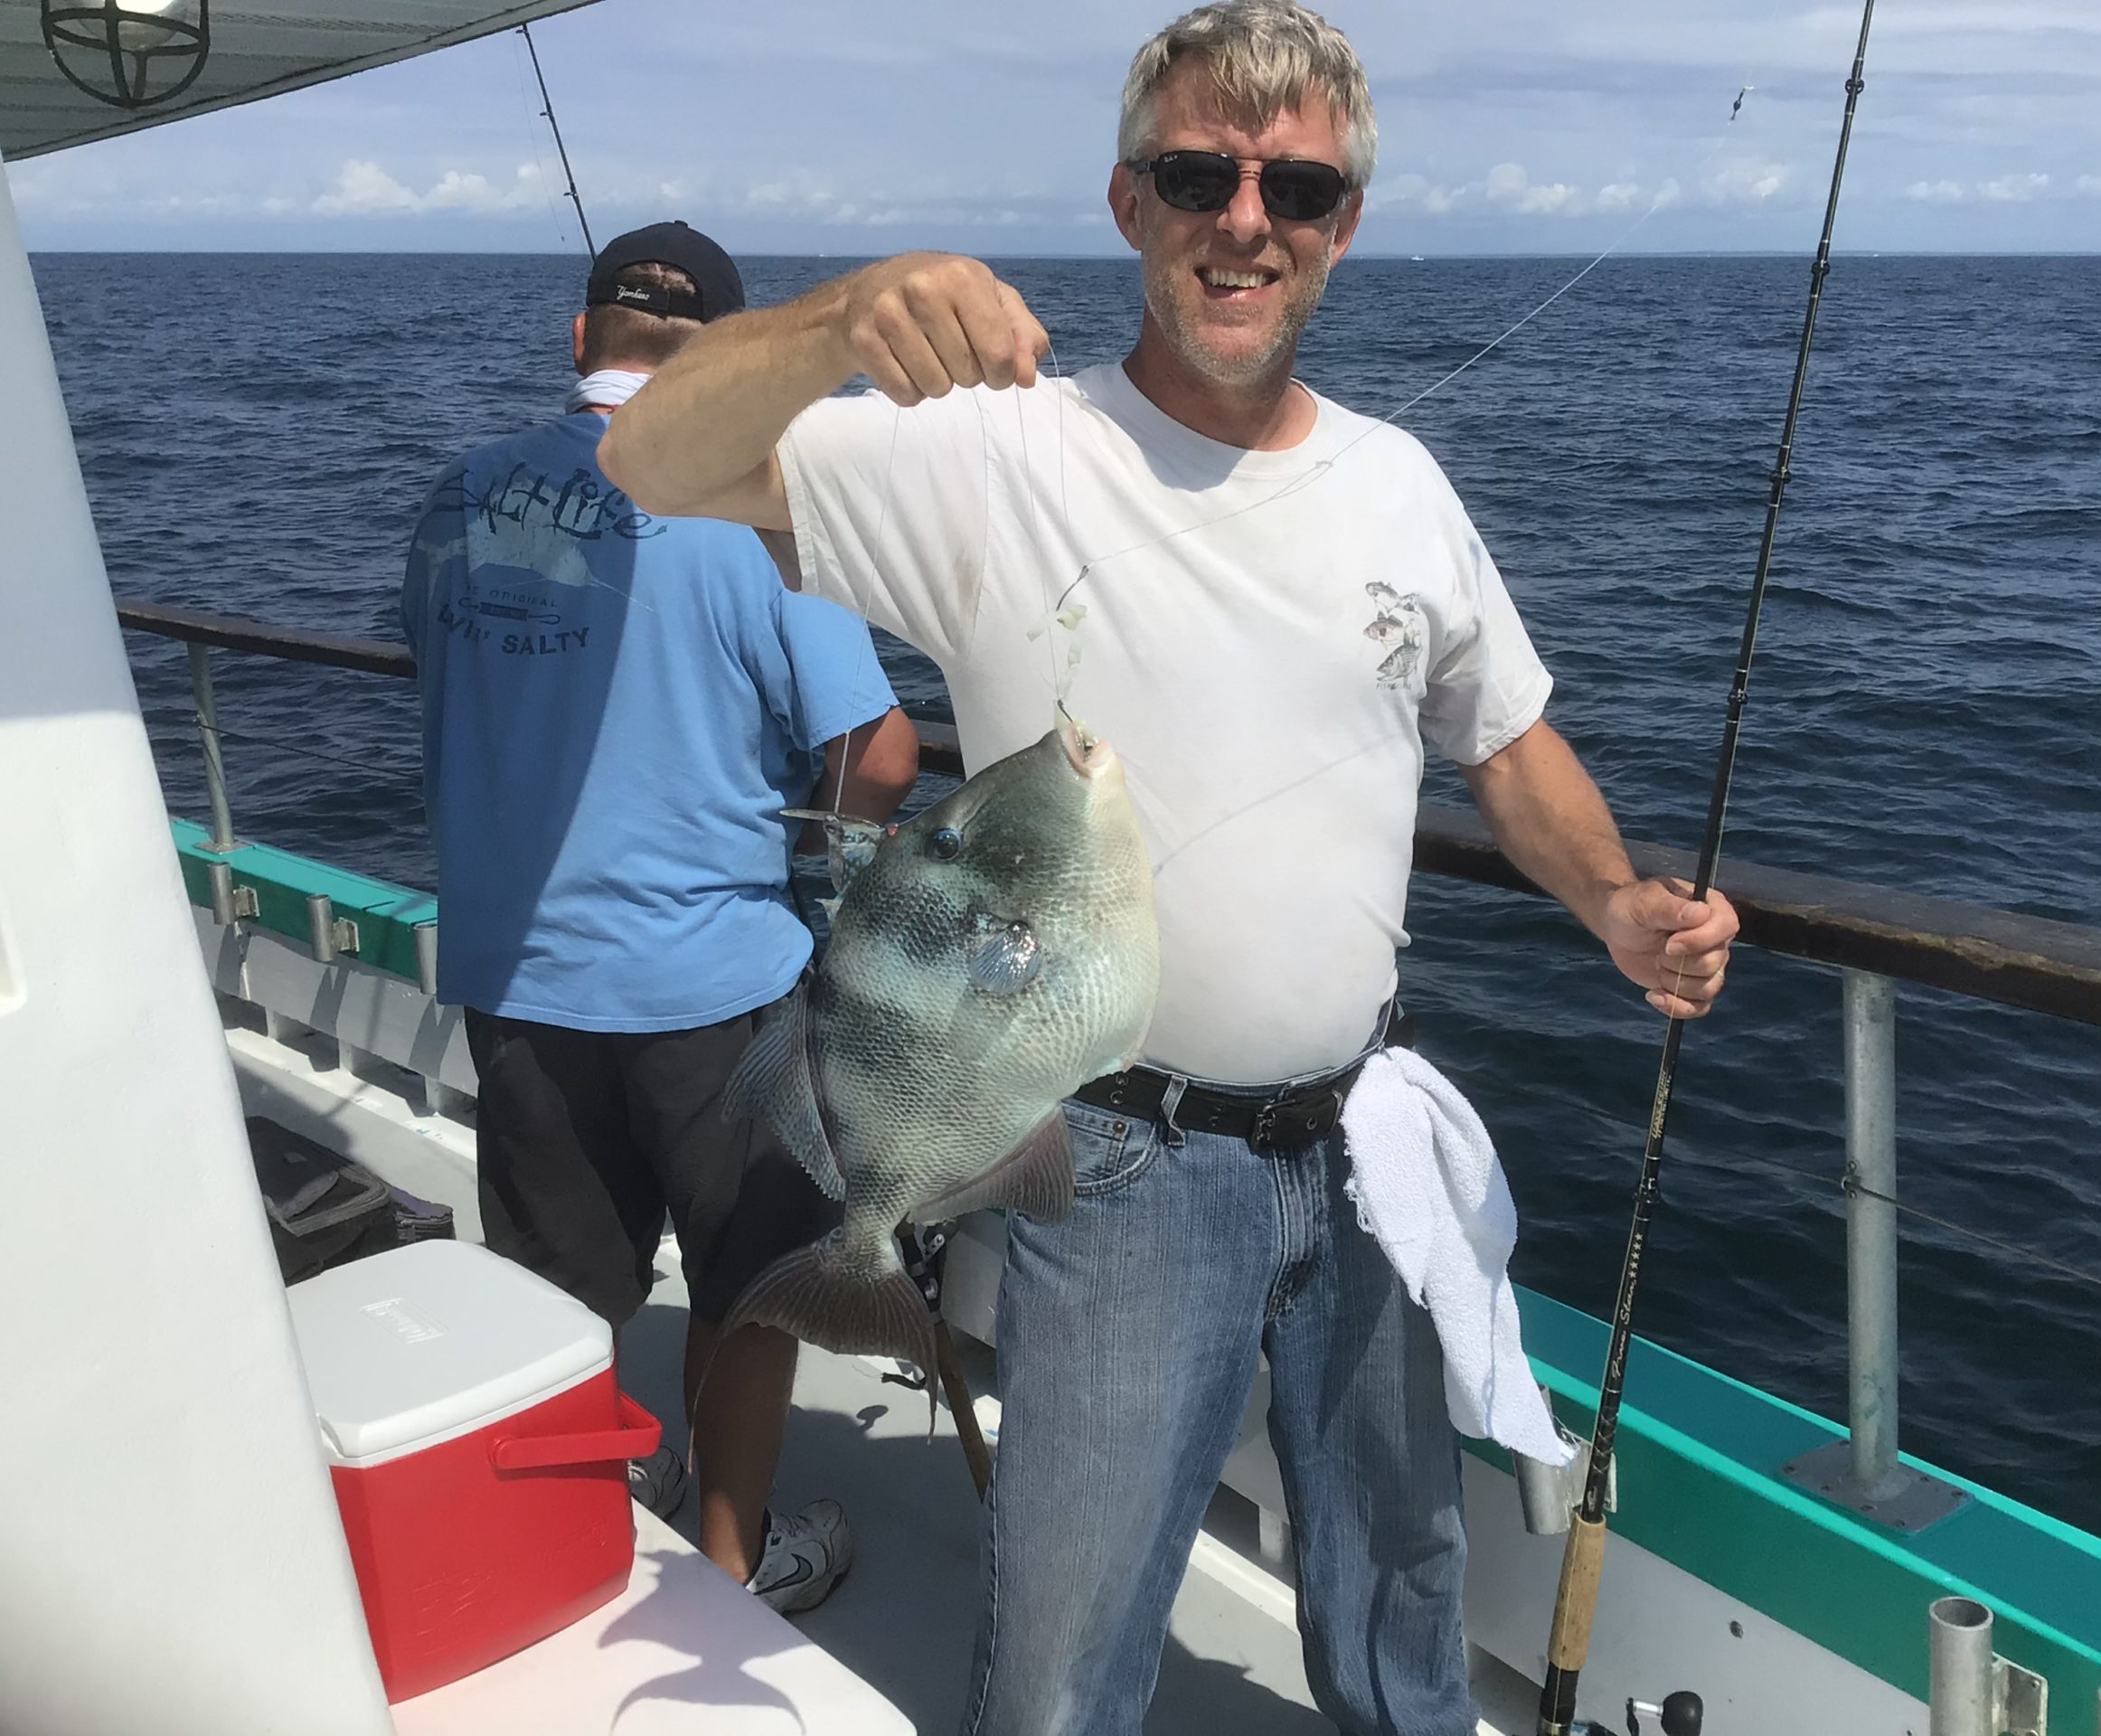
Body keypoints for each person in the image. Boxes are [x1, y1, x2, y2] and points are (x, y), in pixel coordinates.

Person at [601, 6, 1739, 1727]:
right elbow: (648, 458)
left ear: (1341, 225)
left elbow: (1502, 741)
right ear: (1131, 200)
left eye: (1297, 186)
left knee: (1404, 1608)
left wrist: (1613, 901)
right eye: (1200, 172)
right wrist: (844, 314)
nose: (1246, 217)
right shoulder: (993, 453)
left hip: (1362, 1144)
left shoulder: (1401, 487)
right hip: (1117, 1162)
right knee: (1066, 1657)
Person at [400, 221, 918, 1615]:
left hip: (513, 973)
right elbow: (877, 756)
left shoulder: (457, 494)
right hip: (714, 991)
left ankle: (583, 1525)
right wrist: (834, 866)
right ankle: (733, 1573)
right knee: (751, 1291)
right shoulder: (754, 513)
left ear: (582, 340)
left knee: (559, 1292)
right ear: (734, 366)